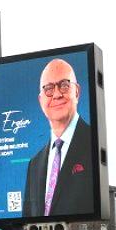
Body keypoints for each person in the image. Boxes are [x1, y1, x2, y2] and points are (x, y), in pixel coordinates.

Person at [23, 59, 93, 217]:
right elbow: (26, 225)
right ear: (41, 101)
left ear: (77, 91)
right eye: (48, 88)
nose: (56, 94)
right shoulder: (34, 165)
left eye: (64, 85)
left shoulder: (94, 145)